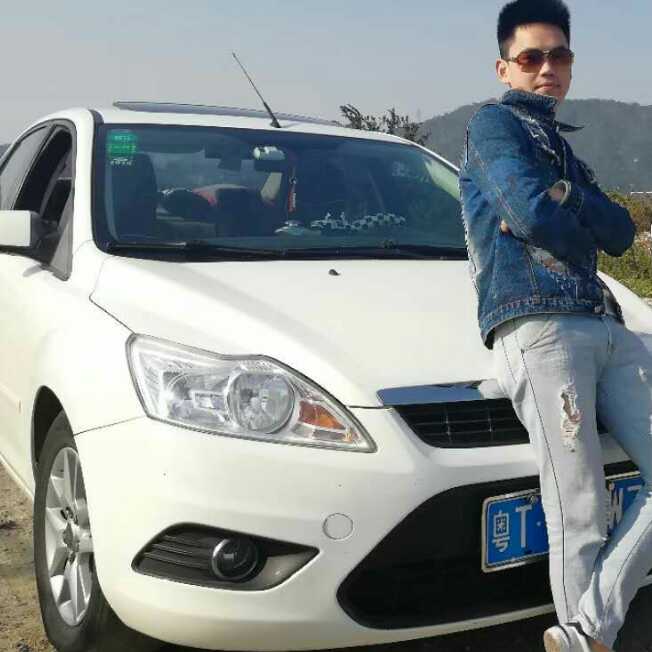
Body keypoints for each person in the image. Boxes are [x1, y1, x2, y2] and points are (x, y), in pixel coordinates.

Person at [459, 1, 652, 651]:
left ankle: (584, 633)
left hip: (602, 318)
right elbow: (528, 214)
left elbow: (620, 233)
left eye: (559, 55)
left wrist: (568, 195)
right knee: (580, 507)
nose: (547, 68)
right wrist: (573, 213)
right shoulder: (493, 126)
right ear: (504, 68)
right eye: (531, 57)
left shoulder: (562, 149)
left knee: (588, 504)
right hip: (539, 320)